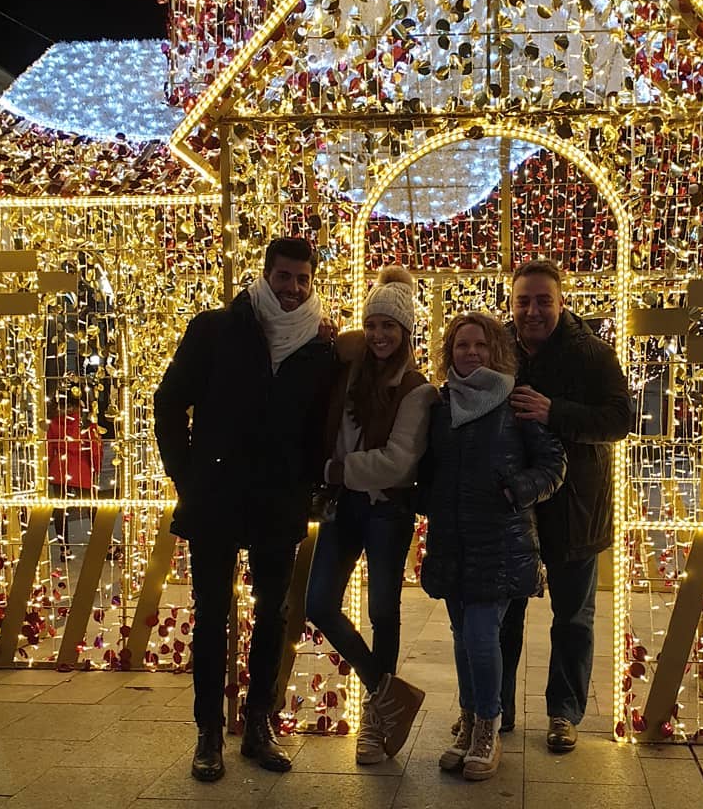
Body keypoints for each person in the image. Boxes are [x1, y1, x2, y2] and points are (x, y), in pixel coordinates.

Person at [154, 237, 335, 782]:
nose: (292, 290)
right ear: (265, 275)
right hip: (216, 497)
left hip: (278, 501)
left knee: (274, 613)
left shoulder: (318, 347)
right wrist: (188, 474)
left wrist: (307, 485)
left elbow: (319, 427)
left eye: (302, 280)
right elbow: (169, 401)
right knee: (211, 614)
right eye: (283, 277)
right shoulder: (216, 329)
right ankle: (208, 730)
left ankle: (259, 724)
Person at [421, 312, 565, 781]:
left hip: (500, 541)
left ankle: (488, 725)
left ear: (496, 351)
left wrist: (515, 490)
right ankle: (467, 721)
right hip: (453, 540)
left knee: (483, 637)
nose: (472, 353)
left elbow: (552, 463)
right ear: (450, 352)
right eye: (462, 345)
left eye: (481, 345)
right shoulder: (440, 406)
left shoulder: (514, 401)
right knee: (464, 640)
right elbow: (427, 465)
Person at [305, 265, 436, 764]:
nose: (380, 335)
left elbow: (398, 464)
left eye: (391, 327)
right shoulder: (350, 374)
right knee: (319, 603)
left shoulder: (417, 390)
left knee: (383, 611)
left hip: (387, 511)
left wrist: (338, 469)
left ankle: (376, 725)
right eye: (374, 325)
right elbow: (338, 348)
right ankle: (388, 694)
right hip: (345, 507)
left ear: (405, 333)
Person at [500, 260, 633, 752]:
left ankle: (564, 713)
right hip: (513, 512)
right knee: (502, 616)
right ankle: (496, 711)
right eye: (523, 301)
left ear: (561, 302)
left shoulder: (593, 354)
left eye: (542, 301)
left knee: (573, 619)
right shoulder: (498, 350)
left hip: (577, 511)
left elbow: (619, 418)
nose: (532, 311)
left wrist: (555, 412)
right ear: (512, 303)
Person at [46, 397, 102, 560]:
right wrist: (96, 467)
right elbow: (94, 447)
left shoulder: (54, 422)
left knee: (60, 510)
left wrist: (49, 467)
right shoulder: (86, 423)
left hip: (60, 468)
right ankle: (104, 545)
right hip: (80, 468)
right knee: (92, 507)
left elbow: (49, 447)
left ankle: (64, 549)